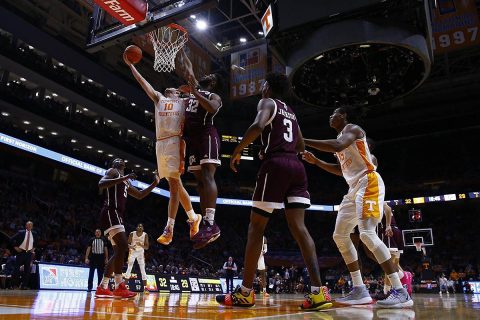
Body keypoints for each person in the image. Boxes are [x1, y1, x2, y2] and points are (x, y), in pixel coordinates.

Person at [215, 73, 332, 310]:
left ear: (268, 87)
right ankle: (319, 293)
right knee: (300, 228)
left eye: (263, 85)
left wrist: (238, 149)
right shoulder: (291, 111)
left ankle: (246, 293)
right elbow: (299, 145)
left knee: (256, 227)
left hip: (276, 166)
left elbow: (258, 125)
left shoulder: (267, 103)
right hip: (297, 168)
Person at [302, 107, 413, 308]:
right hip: (353, 188)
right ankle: (359, 289)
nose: (330, 116)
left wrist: (303, 140)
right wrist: (316, 161)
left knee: (367, 234)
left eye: (334, 113)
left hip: (368, 182)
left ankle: (400, 290)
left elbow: (337, 145)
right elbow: (340, 170)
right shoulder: (340, 141)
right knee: (340, 235)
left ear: (344, 116)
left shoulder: (352, 130)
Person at [124, 53, 201, 246]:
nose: (171, 89)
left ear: (179, 94)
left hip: (175, 142)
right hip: (160, 144)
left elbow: (198, 92)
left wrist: (191, 89)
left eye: (175, 89)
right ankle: (193, 218)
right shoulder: (158, 98)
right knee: (176, 184)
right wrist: (131, 66)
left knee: (174, 186)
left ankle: (170, 228)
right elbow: (143, 83)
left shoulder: (183, 103)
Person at [177, 49, 223, 249]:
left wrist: (194, 92)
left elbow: (212, 109)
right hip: (192, 139)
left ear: (213, 84)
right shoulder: (194, 87)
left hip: (207, 136)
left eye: (211, 77)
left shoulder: (213, 95)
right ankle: (205, 223)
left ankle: (211, 223)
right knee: (199, 183)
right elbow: (189, 69)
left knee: (207, 177)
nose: (207, 76)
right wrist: (182, 48)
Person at [95, 158, 159, 299]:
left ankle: (102, 287)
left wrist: (155, 183)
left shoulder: (125, 181)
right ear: (114, 164)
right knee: (123, 246)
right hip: (111, 211)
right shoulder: (113, 172)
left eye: (122, 160)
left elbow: (140, 195)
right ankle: (119, 286)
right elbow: (101, 184)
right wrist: (124, 177)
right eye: (116, 159)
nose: (120, 160)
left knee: (118, 251)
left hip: (117, 215)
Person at [10, 221, 36, 289]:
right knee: (16, 270)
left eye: (31, 225)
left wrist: (34, 248)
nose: (30, 226)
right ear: (26, 226)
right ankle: (14, 285)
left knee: (27, 271)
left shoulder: (34, 233)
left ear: (32, 226)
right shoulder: (21, 232)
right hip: (21, 252)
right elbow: (11, 239)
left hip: (29, 253)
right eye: (28, 225)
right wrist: (15, 247)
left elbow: (36, 241)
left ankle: (24, 285)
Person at [125, 223, 150, 294]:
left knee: (143, 270)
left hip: (140, 253)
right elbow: (127, 244)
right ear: (136, 228)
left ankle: (145, 288)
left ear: (143, 229)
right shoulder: (132, 234)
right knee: (129, 268)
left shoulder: (145, 235)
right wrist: (131, 247)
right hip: (132, 252)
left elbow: (147, 247)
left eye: (141, 226)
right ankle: (125, 286)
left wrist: (141, 245)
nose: (140, 227)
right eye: (138, 226)